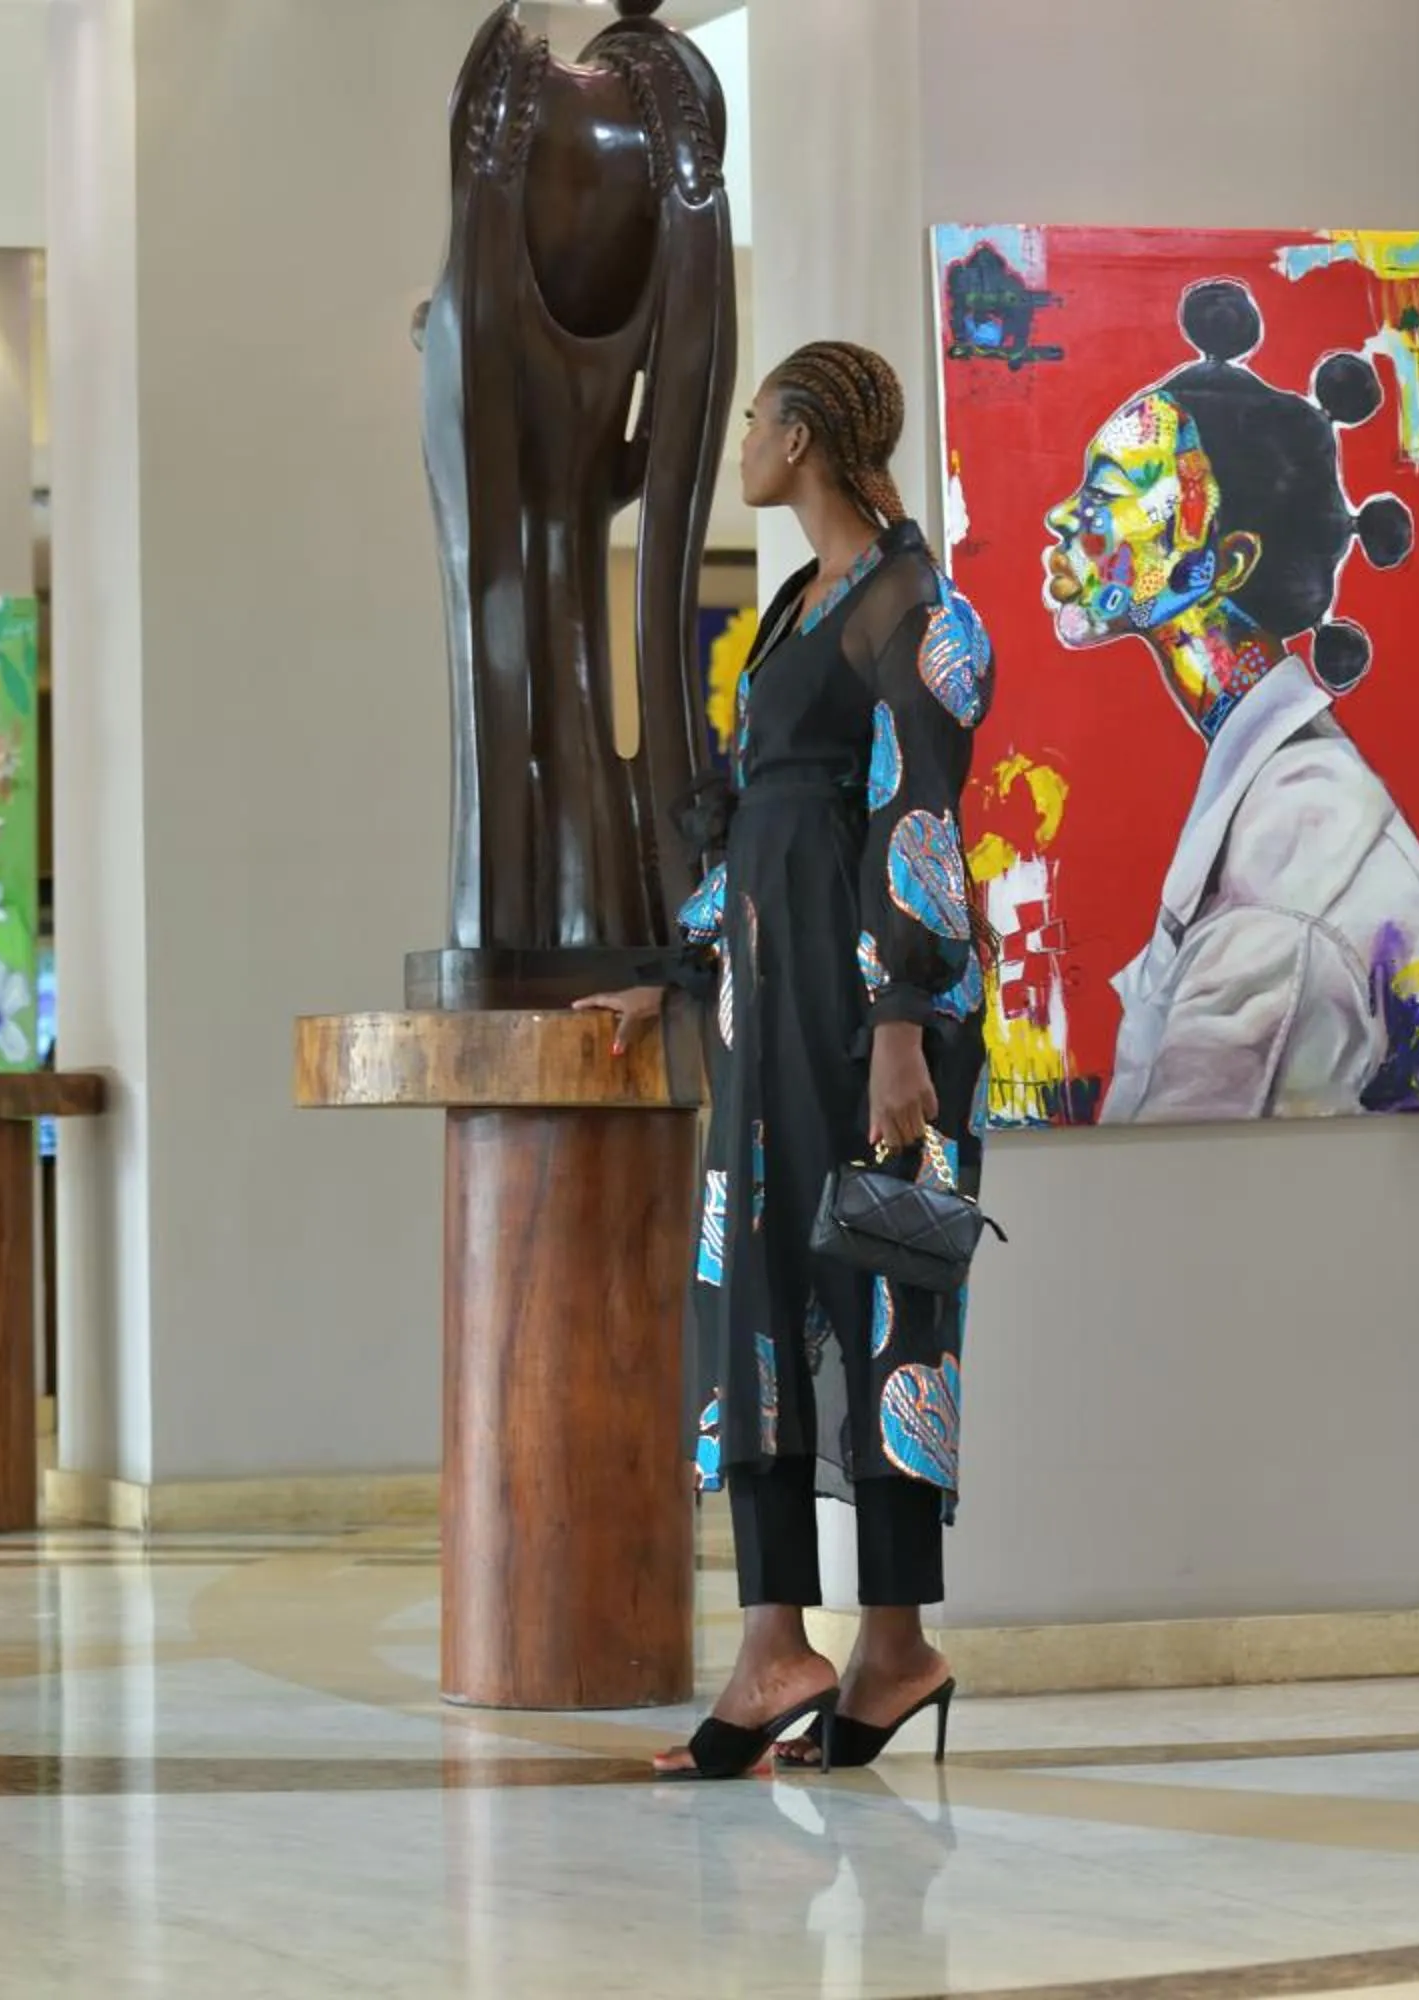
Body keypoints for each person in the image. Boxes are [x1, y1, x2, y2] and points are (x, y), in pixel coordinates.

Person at [581, 343, 989, 1778]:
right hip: (767, 1007)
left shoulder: (917, 608)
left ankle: (886, 1646)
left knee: (885, 1300)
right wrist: (673, 970)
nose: (744, 440)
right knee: (753, 1288)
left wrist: (901, 1029)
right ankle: (796, 1648)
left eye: (757, 418)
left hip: (870, 1017)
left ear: (803, 436)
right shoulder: (800, 605)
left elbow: (920, 819)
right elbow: (768, 818)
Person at [1040, 278, 1419, 1122]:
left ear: (1221, 565)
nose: (1061, 517)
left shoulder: (1288, 862)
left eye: (1104, 495)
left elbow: (1190, 1162)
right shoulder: (1284, 790)